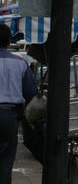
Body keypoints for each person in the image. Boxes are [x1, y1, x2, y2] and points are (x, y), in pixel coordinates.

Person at [0, 24, 38, 184]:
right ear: (9, 41)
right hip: (9, 117)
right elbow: (31, 92)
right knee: (5, 161)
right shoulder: (20, 63)